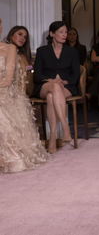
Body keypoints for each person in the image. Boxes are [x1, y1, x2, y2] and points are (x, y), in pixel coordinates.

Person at [0, 17, 50, 172]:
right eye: (20, 34)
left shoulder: (11, 50)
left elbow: (10, 79)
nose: (22, 38)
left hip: (8, 92)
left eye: (25, 36)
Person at [32, 21, 80, 153]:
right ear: (52, 34)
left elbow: (76, 74)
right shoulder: (41, 51)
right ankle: (65, 127)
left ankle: (52, 137)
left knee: (51, 96)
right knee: (53, 87)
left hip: (66, 87)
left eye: (66, 32)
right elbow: (36, 75)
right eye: (61, 32)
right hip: (44, 85)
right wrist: (50, 80)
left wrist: (64, 81)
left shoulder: (72, 52)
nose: (65, 35)